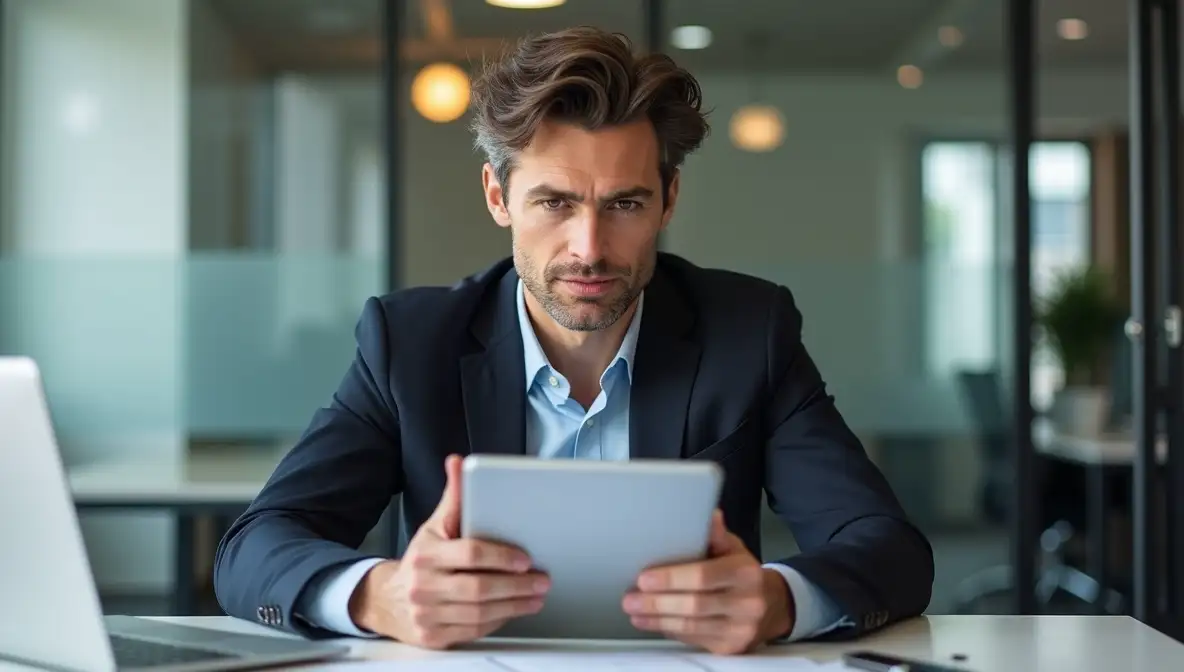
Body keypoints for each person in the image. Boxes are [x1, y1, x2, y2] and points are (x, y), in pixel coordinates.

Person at [213, 26, 933, 655]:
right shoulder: (410, 343)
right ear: (498, 197)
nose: (589, 248)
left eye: (624, 204)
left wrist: (776, 603)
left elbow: (889, 550)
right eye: (554, 203)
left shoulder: (750, 332)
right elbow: (256, 547)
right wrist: (380, 595)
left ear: (669, 200)